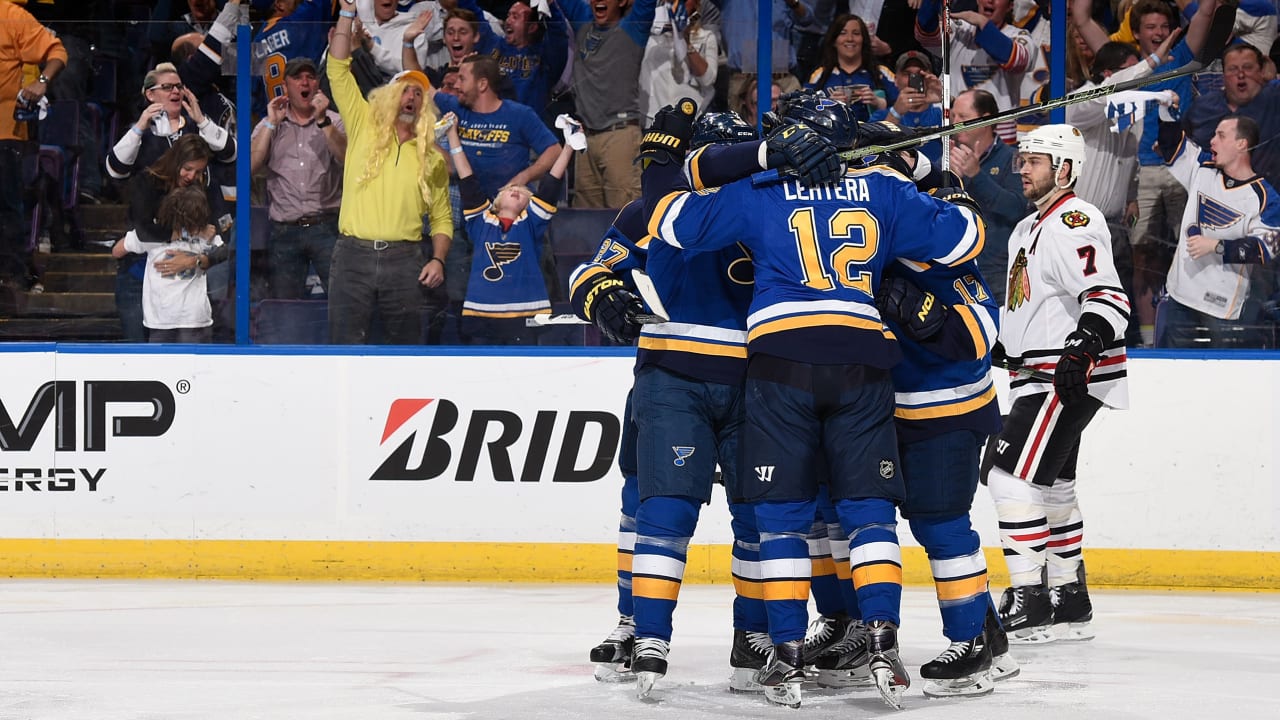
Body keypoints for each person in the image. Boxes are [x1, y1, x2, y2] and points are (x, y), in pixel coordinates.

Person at [642, 94, 987, 710]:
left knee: (784, 517)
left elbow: (665, 216)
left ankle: (787, 653)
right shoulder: (881, 193)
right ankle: (882, 638)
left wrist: (702, 156)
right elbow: (966, 239)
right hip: (862, 365)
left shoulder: (760, 190)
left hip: (782, 365)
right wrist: (928, 173)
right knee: (868, 510)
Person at [983, 124, 1130, 645]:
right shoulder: (1029, 226)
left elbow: (1107, 295)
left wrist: (1085, 345)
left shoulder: (1074, 219)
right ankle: (1069, 597)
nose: (1023, 168)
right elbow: (1036, 299)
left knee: (1009, 478)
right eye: (1022, 158)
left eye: (1036, 160)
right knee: (1052, 484)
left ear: (1065, 169)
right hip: (1035, 369)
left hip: (1061, 374)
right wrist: (1008, 342)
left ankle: (1031, 598)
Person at [326, 0, 453, 344]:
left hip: (405, 259)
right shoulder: (363, 121)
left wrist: (438, 260)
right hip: (353, 254)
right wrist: (347, 13)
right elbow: (337, 69)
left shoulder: (432, 157)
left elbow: (442, 217)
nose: (411, 97)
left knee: (405, 350)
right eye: (405, 90)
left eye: (418, 93)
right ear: (389, 95)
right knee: (344, 346)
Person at [446, 112, 576, 344]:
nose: (516, 190)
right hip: (481, 311)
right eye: (509, 189)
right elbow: (467, 179)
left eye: (523, 191)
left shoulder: (530, 223)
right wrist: (452, 135)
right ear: (496, 200)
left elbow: (550, 185)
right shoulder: (480, 220)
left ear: (529, 202)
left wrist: (569, 146)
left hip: (525, 311)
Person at [1155, 115, 1280, 347]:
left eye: (1221, 136)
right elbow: (1170, 144)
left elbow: (1264, 250)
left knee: (1222, 378)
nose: (1212, 141)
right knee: (1175, 375)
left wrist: (1216, 245)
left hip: (1222, 308)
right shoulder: (1202, 167)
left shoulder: (1265, 198)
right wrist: (1167, 111)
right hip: (1180, 297)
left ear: (1241, 144)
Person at [250, 56, 347, 300]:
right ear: (286, 86)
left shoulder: (335, 121)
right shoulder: (269, 124)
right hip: (284, 232)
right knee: (285, 305)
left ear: (317, 85)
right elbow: (249, 167)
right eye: (297, 77)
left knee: (341, 300)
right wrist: (272, 123)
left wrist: (323, 120)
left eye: (310, 77)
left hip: (327, 226)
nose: (305, 82)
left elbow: (347, 160)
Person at [559, 0, 658, 208]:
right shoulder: (584, 22)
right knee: (585, 222)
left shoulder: (634, 27)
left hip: (619, 136)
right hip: (585, 139)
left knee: (624, 216)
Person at [430, 54, 561, 199]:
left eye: (462, 79)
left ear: (482, 84)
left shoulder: (519, 114)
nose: (456, 85)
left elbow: (554, 150)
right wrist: (408, 44)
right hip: (472, 208)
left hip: (509, 208)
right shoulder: (458, 108)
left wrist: (525, 177)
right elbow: (425, 87)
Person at [0, 0, 65, 288]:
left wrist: (41, 81)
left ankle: (12, 276)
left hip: (4, 132)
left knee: (7, 208)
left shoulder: (9, 13)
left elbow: (57, 51)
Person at [949, 89, 1031, 307]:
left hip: (997, 273)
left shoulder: (1012, 159)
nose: (955, 123)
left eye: (963, 117)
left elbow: (1016, 209)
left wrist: (976, 175)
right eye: (953, 116)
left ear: (986, 120)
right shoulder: (947, 160)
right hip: (955, 270)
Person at [112, 184, 223, 344]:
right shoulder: (206, 236)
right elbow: (227, 252)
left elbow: (117, 250)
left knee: (161, 366)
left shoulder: (150, 236)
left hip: (162, 317)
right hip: (192, 318)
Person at [915, 0, 1035, 145]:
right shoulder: (959, 29)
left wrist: (983, 24)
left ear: (1010, 6)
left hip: (998, 140)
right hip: (953, 132)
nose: (990, 1)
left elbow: (1016, 60)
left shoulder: (1020, 36)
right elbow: (925, 31)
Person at [106, 63, 236, 183]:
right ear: (150, 94)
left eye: (179, 87)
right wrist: (139, 128)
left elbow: (232, 153)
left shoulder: (197, 125)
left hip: (199, 202)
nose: (176, 91)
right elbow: (115, 170)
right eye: (167, 87)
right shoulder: (139, 132)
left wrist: (203, 122)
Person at [454, 0, 569, 123]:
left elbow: (558, 33)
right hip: (489, 127)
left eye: (515, 17)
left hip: (525, 133)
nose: (508, 20)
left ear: (532, 27)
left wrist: (550, 5)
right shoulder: (491, 44)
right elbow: (472, 11)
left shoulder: (545, 58)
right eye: (509, 15)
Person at [804, 14, 897, 122]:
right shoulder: (820, 75)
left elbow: (903, 107)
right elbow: (805, 108)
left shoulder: (882, 72)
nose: (850, 39)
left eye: (856, 33)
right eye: (843, 33)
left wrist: (879, 103)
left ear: (864, 39)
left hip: (875, 134)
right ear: (834, 40)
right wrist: (826, 104)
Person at [638, 0, 719, 123]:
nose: (677, 4)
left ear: (695, 4)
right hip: (652, 116)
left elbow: (708, 80)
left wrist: (686, 40)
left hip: (690, 116)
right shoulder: (649, 35)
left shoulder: (706, 37)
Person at [885, 50, 944, 165]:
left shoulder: (942, 113)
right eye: (907, 74)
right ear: (896, 80)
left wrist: (946, 98)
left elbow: (968, 136)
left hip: (937, 178)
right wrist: (895, 114)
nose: (914, 78)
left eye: (920, 73)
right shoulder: (882, 116)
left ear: (930, 76)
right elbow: (873, 151)